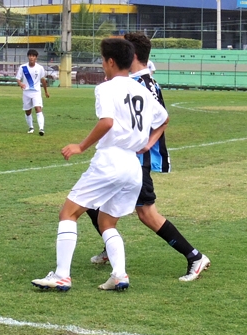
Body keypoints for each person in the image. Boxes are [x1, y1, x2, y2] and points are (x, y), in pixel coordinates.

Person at [31, 38, 169, 292]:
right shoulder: (142, 90)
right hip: (132, 166)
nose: (102, 65)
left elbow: (106, 122)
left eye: (102, 60)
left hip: (110, 160)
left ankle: (62, 275)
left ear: (111, 61)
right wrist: (148, 143)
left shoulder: (106, 88)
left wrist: (80, 146)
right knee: (107, 221)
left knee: (68, 213)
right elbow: (164, 118)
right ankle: (119, 274)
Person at [87, 33, 210, 281]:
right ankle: (110, 249)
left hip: (136, 160)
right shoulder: (143, 81)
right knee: (91, 202)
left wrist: (146, 144)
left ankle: (194, 256)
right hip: (126, 158)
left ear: (131, 55)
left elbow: (161, 120)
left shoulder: (140, 85)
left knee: (146, 213)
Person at [15, 49, 49, 135]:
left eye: (33, 56)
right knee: (28, 111)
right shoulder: (23, 67)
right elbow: (18, 78)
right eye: (30, 56)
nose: (31, 57)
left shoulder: (40, 68)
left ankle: (41, 129)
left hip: (36, 92)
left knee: (38, 108)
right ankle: (31, 127)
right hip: (26, 92)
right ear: (28, 57)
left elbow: (43, 80)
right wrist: (20, 84)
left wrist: (46, 91)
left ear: (36, 57)